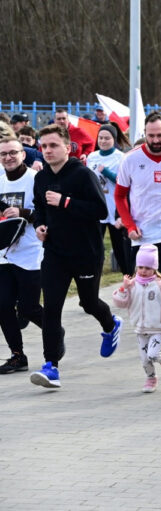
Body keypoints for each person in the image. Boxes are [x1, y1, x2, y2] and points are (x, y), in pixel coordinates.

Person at [30, 124, 122, 388]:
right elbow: (39, 207)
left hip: (86, 252)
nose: (47, 150)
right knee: (51, 309)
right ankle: (51, 366)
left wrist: (66, 202)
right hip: (55, 253)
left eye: (53, 145)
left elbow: (100, 210)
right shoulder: (41, 177)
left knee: (89, 303)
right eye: (44, 146)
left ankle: (110, 324)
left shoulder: (82, 174)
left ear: (67, 147)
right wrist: (40, 226)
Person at [115, 112, 161, 357]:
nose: (156, 140)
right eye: (151, 135)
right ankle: (148, 331)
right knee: (144, 287)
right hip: (143, 233)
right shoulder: (131, 159)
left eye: (160, 135)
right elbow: (120, 195)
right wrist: (129, 225)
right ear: (144, 134)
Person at [112, 244, 161, 393]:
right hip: (140, 329)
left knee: (153, 354)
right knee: (145, 359)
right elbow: (120, 303)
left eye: (147, 268)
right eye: (140, 267)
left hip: (157, 329)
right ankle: (151, 378)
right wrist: (124, 288)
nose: (143, 271)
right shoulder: (132, 285)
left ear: (154, 268)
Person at [0, 137, 45, 374]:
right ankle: (17, 356)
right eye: (3, 154)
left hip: (31, 252)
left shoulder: (36, 179)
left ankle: (53, 330)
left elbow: (48, 213)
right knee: (3, 305)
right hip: (4, 253)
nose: (8, 157)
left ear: (23, 154)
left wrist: (23, 212)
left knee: (29, 308)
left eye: (13, 153)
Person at [87, 124, 131, 275]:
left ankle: (127, 277)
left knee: (120, 250)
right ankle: (93, 279)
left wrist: (106, 172)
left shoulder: (121, 157)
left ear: (114, 139)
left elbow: (124, 182)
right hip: (97, 207)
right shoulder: (92, 157)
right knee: (95, 249)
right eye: (100, 138)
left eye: (107, 138)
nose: (103, 141)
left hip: (115, 208)